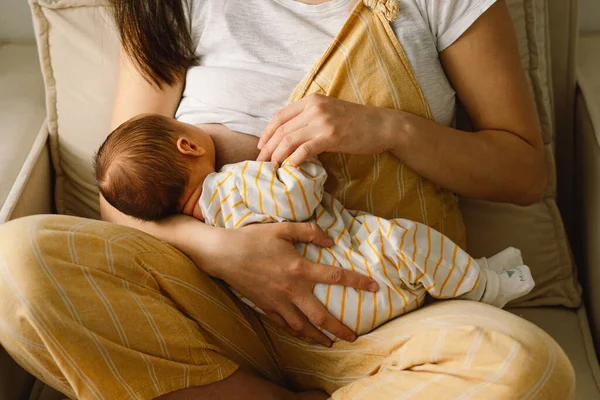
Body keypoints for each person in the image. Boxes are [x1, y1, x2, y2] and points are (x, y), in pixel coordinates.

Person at [0, 0, 575, 399]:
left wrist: (392, 130)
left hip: (386, 309)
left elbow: (524, 172)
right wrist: (221, 252)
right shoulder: (167, 7)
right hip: (212, 308)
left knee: (528, 366)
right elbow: (120, 196)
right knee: (13, 265)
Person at [95, 112, 535, 339]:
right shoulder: (230, 184)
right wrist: (300, 160)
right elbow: (298, 197)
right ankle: (483, 286)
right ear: (188, 143)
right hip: (356, 272)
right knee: (407, 242)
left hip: (316, 318)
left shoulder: (207, 220)